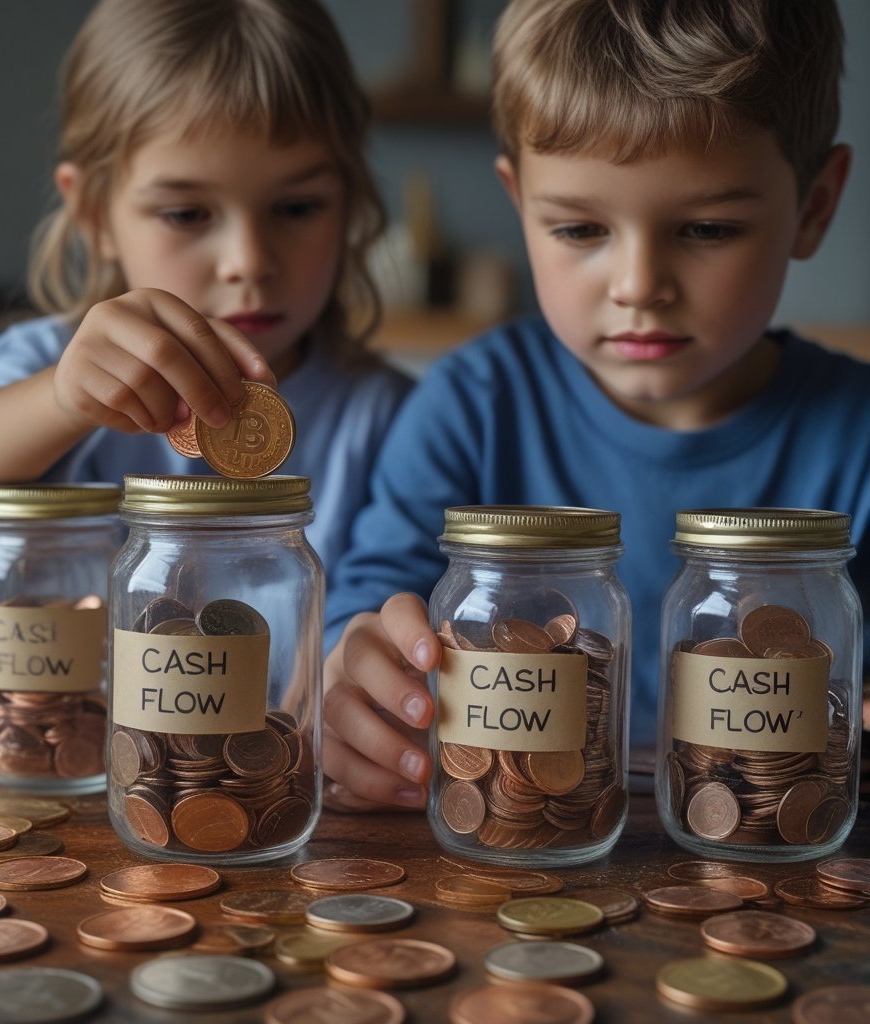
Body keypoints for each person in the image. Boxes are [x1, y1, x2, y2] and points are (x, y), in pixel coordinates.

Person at [321, 0, 869, 812]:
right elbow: (366, 613)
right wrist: (357, 677)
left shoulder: (856, 434)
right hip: (523, 837)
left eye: (709, 229)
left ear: (815, 207)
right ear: (520, 203)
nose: (639, 284)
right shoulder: (471, 406)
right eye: (580, 229)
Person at [0, 0, 412, 582]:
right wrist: (59, 404)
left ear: (350, 203)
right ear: (93, 214)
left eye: (297, 207)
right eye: (187, 213)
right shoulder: (48, 364)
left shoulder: (394, 418)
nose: (249, 262)